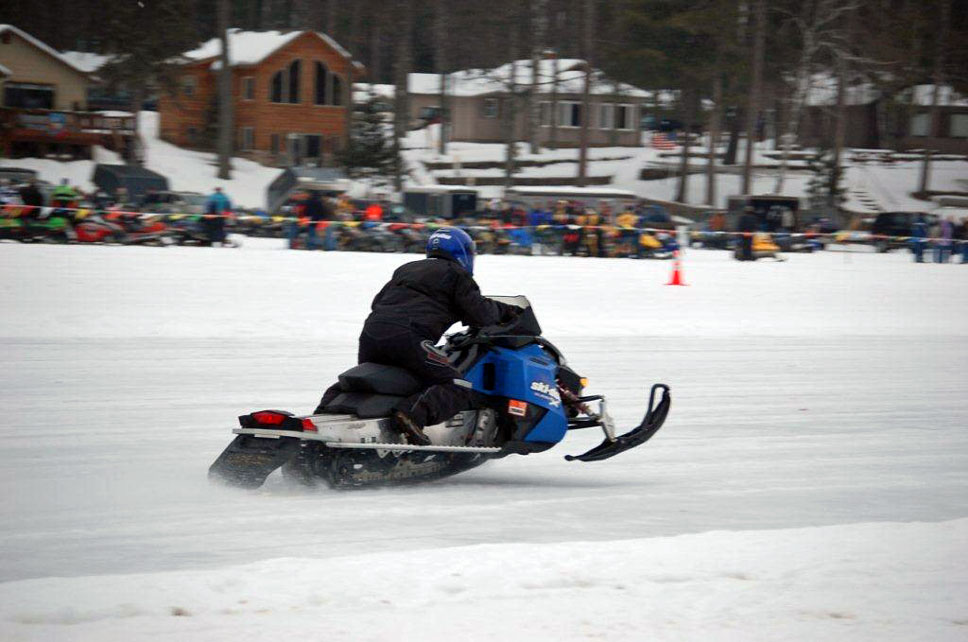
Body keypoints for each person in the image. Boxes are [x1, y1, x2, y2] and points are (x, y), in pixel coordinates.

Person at [314, 227, 519, 445]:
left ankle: (321, 416)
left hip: (372, 334)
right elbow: (481, 313)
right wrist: (507, 311)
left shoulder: (407, 269)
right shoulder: (456, 274)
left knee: (368, 381)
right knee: (457, 385)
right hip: (408, 337)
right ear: (464, 253)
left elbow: (378, 301)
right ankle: (412, 415)